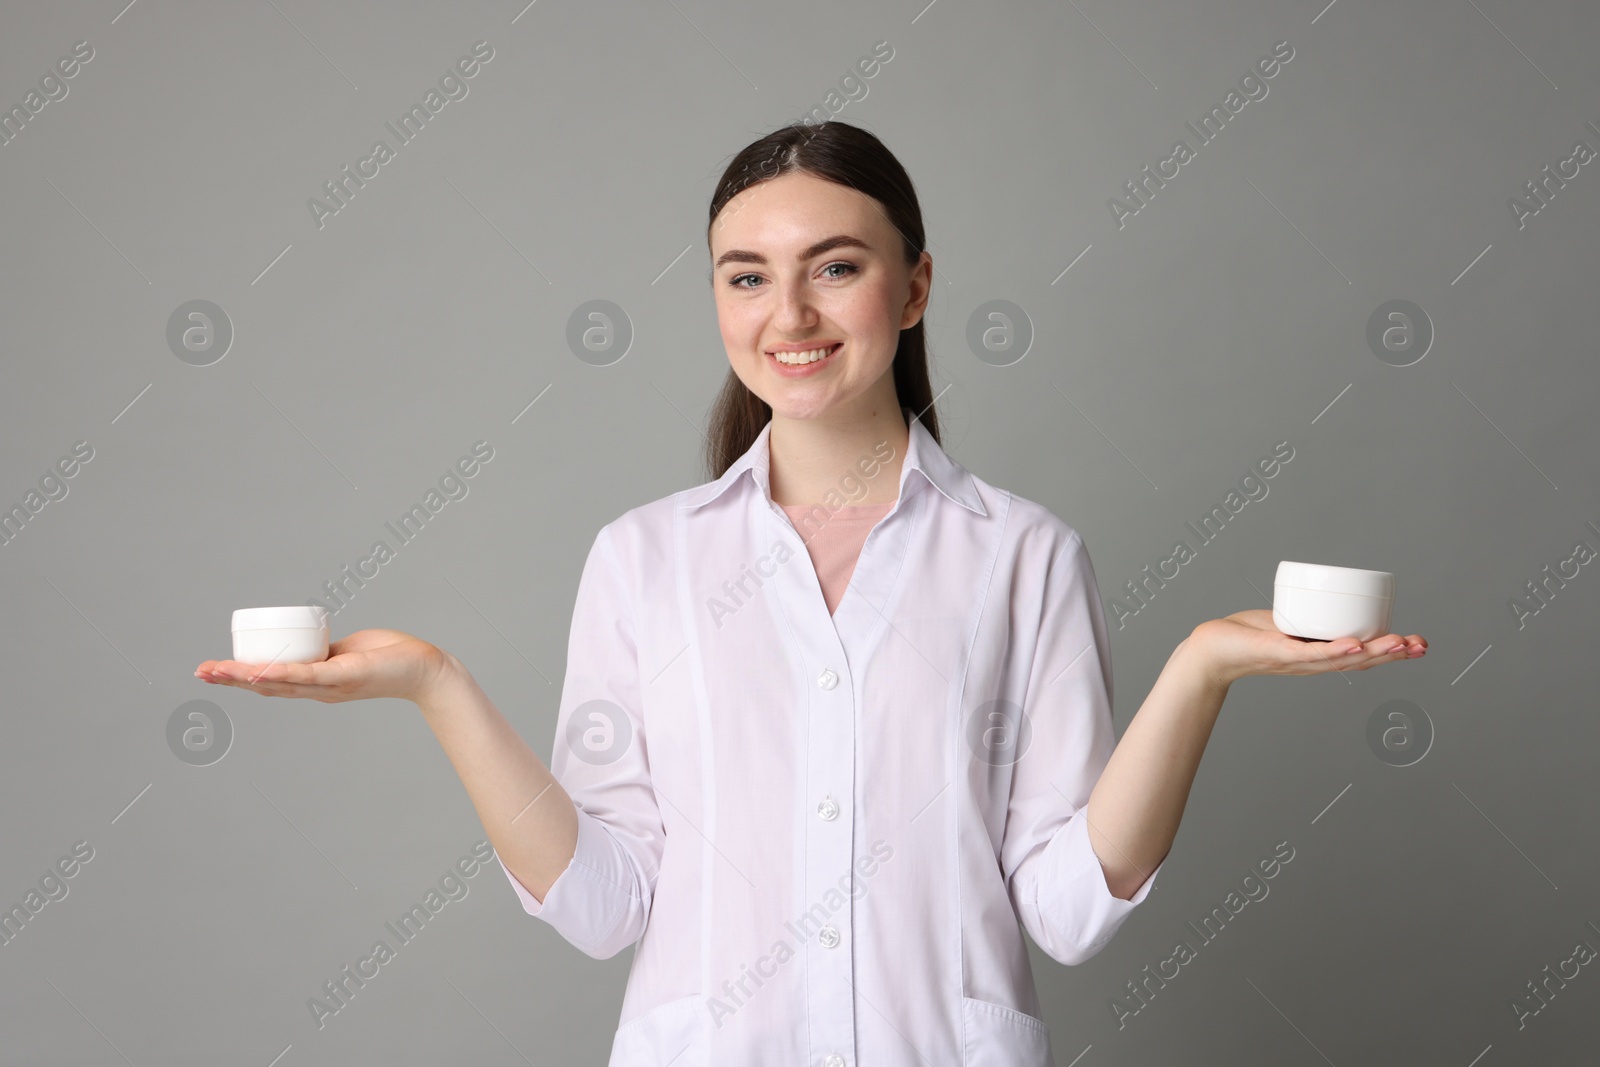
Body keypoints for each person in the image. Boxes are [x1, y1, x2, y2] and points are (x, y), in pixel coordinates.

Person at [193, 120, 1427, 1066]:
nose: (787, 315)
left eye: (835, 268)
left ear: (917, 285)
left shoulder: (1021, 556)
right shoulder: (645, 558)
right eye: (745, 276)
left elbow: (1063, 907)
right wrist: (433, 684)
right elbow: (604, 901)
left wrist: (1200, 670)